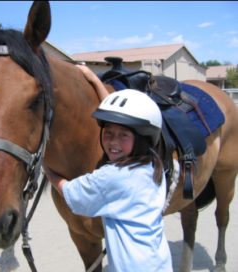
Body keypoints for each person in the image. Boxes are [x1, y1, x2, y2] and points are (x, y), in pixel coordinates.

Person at [43, 65, 172, 272]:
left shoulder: (113, 176)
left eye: (123, 135)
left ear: (140, 138)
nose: (113, 142)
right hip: (159, 263)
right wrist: (94, 80)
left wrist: (47, 167)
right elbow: (118, 120)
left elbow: (70, 192)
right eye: (108, 133)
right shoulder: (152, 162)